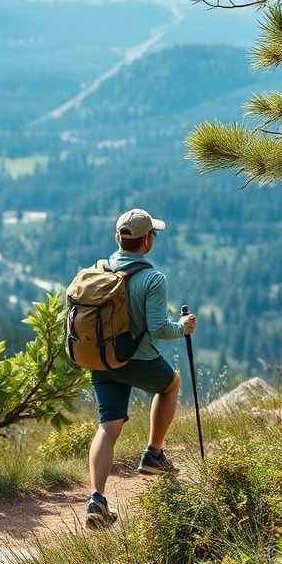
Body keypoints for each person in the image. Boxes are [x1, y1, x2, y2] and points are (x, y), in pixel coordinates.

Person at [85, 208, 196, 529]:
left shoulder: (97, 270)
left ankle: (97, 499)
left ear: (118, 238)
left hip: (102, 361)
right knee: (171, 384)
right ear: (146, 240)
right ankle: (153, 454)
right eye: (153, 235)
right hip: (137, 360)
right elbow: (159, 328)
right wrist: (184, 327)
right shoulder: (152, 278)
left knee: (108, 428)